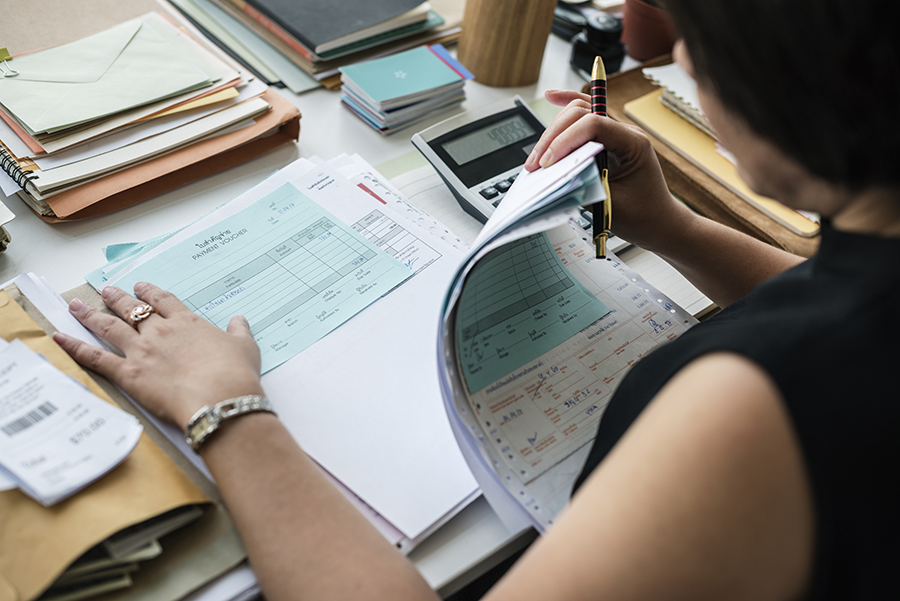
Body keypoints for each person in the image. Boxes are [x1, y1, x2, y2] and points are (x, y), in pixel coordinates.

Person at [52, 0, 899, 598]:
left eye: (699, 34)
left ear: (794, 72)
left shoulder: (755, 403)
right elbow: (845, 297)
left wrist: (228, 412)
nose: (678, 57)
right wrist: (672, 227)